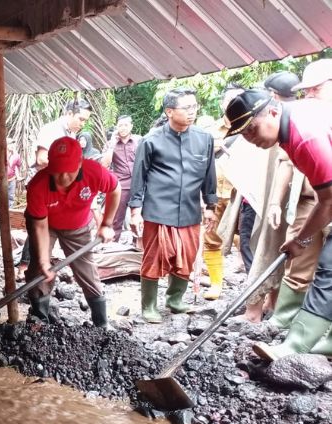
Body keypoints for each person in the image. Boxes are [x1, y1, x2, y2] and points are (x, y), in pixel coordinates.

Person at [224, 88, 332, 360]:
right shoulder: (288, 128)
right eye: (243, 134)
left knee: (328, 269)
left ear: (273, 111)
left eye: (252, 129)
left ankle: (295, 345)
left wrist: (301, 239)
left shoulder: (305, 136)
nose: (249, 138)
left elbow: (328, 200)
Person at [129, 87, 218, 324]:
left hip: (189, 210)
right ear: (169, 111)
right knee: (154, 258)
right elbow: (138, 177)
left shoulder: (204, 139)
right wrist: (135, 210)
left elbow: (209, 174)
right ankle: (148, 305)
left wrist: (211, 205)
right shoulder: (151, 141)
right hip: (158, 211)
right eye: (186, 107)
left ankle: (175, 299)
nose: (192, 112)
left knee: (186, 256)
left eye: (194, 106)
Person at [24, 137, 120, 327]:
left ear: (80, 163)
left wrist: (107, 224)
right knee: (38, 268)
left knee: (86, 269)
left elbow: (115, 190)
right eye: (57, 172)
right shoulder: (38, 185)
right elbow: (40, 226)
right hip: (46, 225)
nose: (63, 178)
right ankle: (39, 318)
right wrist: (44, 261)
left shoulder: (95, 172)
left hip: (77, 226)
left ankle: (101, 323)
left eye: (69, 172)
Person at [18, 99, 93, 278]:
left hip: (59, 187)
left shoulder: (72, 134)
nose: (82, 124)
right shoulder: (52, 130)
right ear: (69, 114)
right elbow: (43, 159)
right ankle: (26, 266)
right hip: (43, 186)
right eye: (81, 119)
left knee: (49, 227)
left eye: (85, 121)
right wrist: (67, 170)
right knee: (38, 225)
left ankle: (38, 265)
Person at [199, 86, 244, 300]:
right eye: (229, 100)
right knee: (211, 237)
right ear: (221, 104)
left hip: (241, 194)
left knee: (245, 237)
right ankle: (216, 283)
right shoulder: (211, 131)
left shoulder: (251, 127)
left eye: (238, 99)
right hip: (215, 193)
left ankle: (254, 289)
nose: (232, 103)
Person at [100, 115, 141, 242]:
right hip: (121, 186)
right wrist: (112, 144)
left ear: (131, 126)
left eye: (126, 125)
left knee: (140, 218)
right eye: (120, 125)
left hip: (139, 185)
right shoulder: (111, 144)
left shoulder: (139, 141)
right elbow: (104, 164)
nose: (123, 128)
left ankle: (139, 247)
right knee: (116, 219)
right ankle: (112, 248)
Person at [0, 138, 23, 209]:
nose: (12, 145)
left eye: (13, 144)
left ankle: (10, 212)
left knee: (11, 196)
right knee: (0, 195)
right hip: (1, 179)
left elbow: (18, 165)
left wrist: (16, 175)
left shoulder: (16, 155)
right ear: (6, 145)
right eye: (10, 144)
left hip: (12, 179)